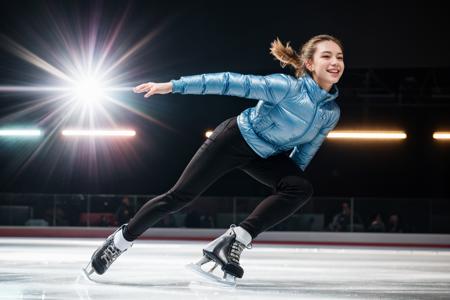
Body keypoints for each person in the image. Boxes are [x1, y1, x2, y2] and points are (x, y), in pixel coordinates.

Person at [84, 34, 345, 284]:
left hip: (265, 156)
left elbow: (304, 154)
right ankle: (118, 242)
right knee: (177, 198)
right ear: (310, 63)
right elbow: (228, 82)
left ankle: (233, 241)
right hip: (234, 139)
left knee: (300, 187)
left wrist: (285, 186)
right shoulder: (287, 87)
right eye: (327, 56)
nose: (335, 62)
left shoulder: (330, 112)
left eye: (340, 57)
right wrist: (172, 86)